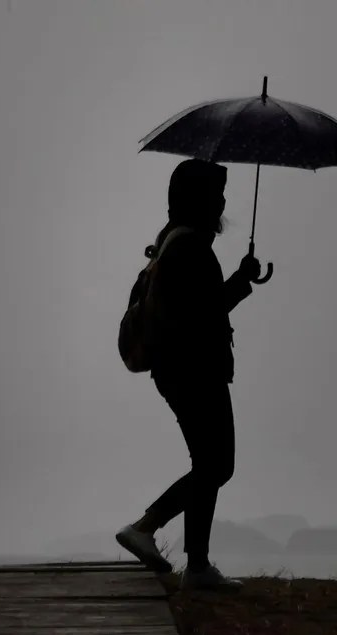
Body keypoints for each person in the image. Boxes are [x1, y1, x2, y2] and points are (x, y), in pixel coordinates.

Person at [115, 159, 262, 590]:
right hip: (194, 370)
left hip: (180, 370)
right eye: (215, 195)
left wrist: (239, 278)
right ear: (198, 200)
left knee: (210, 464)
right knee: (216, 464)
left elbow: (200, 308)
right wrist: (239, 281)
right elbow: (202, 315)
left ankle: (197, 565)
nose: (221, 202)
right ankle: (147, 528)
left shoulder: (176, 243)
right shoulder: (190, 249)